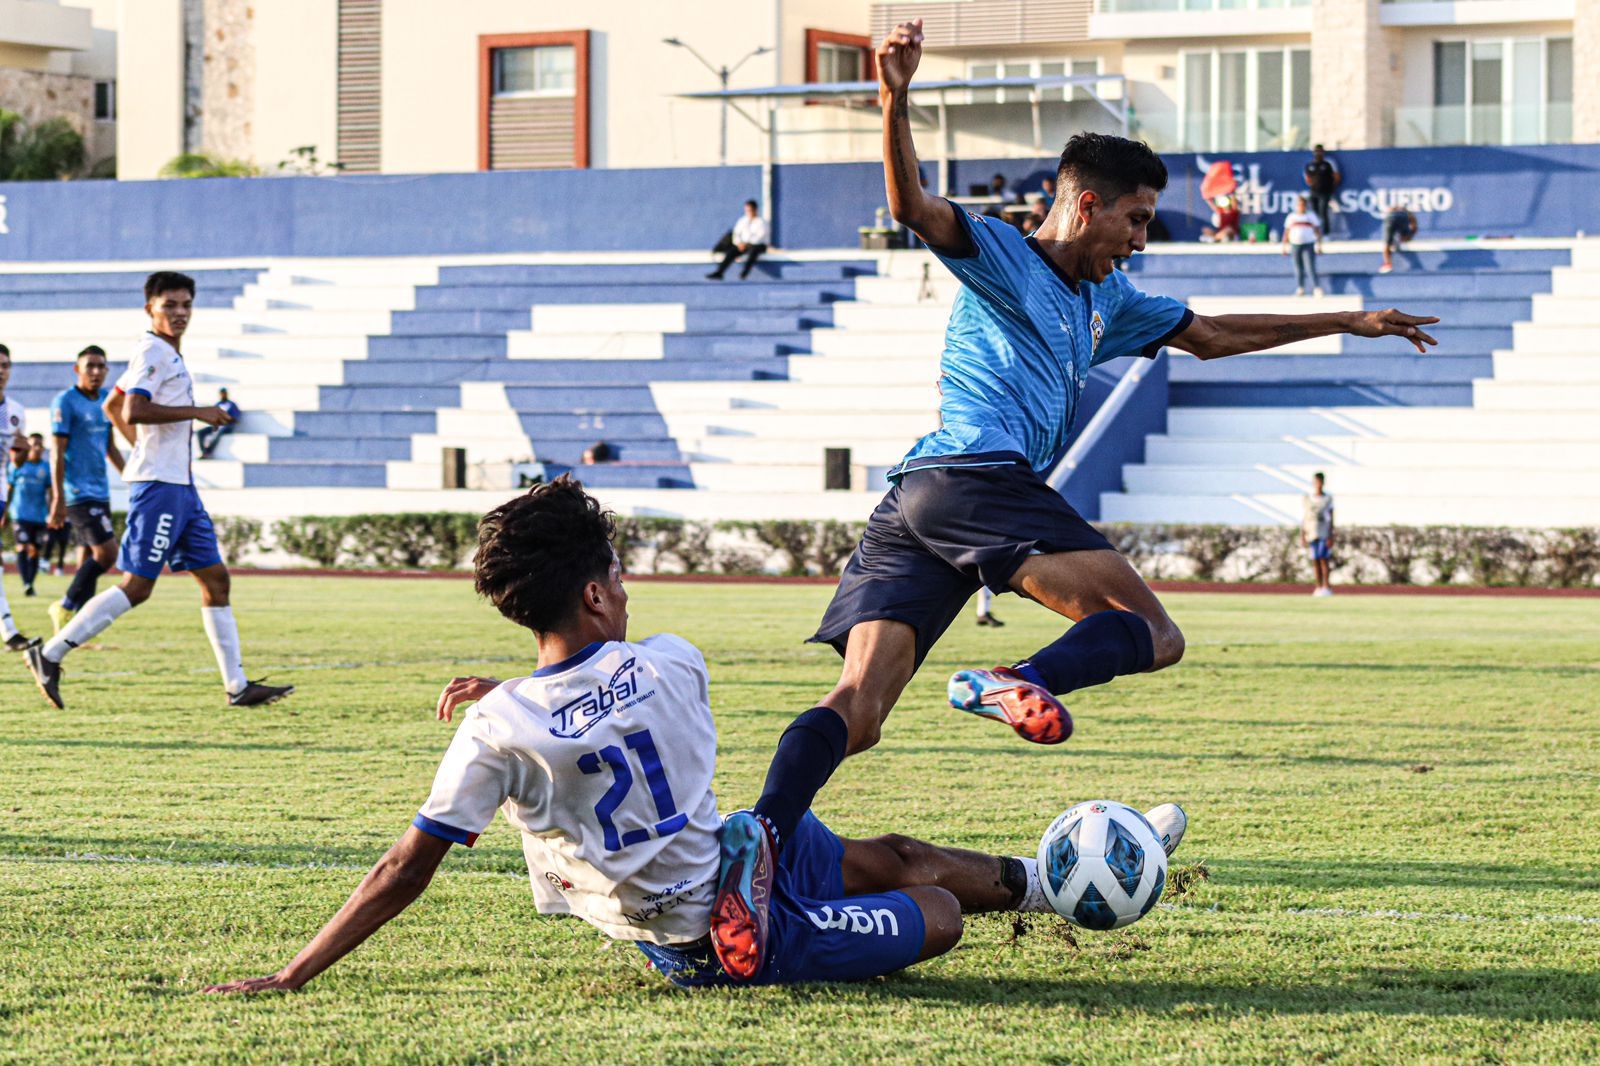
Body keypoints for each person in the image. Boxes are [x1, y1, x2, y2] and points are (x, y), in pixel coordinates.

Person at [706, 17, 1440, 983]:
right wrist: (893, 97)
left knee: (861, 704)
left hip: (914, 504)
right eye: (1134, 220)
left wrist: (1349, 318)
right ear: (1085, 205)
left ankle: (754, 846)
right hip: (976, 480)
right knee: (1154, 632)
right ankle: (1019, 678)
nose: (1141, 240)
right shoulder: (1005, 254)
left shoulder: (1109, 303)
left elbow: (1213, 334)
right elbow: (914, 204)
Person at [199, 476, 1195, 994]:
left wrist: (296, 968)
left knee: (894, 855)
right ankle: (738, 940)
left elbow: (405, 864)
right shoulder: (671, 660)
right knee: (930, 910)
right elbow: (604, 703)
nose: (628, 590)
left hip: (725, 850)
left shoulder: (499, 731)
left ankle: (1056, 884)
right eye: (617, 578)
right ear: (595, 593)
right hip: (704, 924)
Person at [24, 271, 292, 710]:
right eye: (170, 305)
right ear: (150, 308)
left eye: (186, 304)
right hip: (160, 489)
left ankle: (237, 685)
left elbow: (113, 404)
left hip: (180, 488)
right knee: (138, 586)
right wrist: (198, 412)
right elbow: (134, 407)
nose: (180, 312)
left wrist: (140, 447)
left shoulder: (167, 353)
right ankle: (49, 654)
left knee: (216, 580)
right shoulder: (153, 349)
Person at [47, 345, 126, 633]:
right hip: (77, 493)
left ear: (106, 370)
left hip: (100, 490)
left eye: (100, 366)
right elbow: (57, 451)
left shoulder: (107, 401)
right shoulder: (65, 402)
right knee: (107, 554)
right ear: (77, 369)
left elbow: (110, 446)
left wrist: (132, 476)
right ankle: (66, 605)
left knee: (87, 557)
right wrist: (57, 497)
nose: (95, 371)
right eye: (89, 365)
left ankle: (75, 629)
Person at [0, 343, 34, 650]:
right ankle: (9, 632)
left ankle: (9, 632)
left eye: (5, 365)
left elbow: (14, 462)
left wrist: (21, 453)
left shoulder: (16, 413)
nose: (1, 371)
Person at [7, 437, 51, 599]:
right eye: (34, 445)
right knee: (22, 546)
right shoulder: (18, 466)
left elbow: (51, 492)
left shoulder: (46, 468)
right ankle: (26, 583)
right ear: (28, 447)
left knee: (34, 551)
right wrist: (4, 511)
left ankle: (30, 583)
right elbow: (9, 489)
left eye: (40, 445)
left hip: (39, 516)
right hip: (20, 515)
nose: (37, 448)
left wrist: (53, 511)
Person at [707, 200, 768, 280]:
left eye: (750, 210)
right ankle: (719, 272)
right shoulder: (742, 221)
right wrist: (739, 243)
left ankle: (744, 273)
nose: (748, 212)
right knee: (731, 252)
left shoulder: (761, 222)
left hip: (756, 245)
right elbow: (736, 233)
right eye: (747, 210)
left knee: (754, 252)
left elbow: (760, 236)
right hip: (742, 245)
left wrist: (747, 244)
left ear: (755, 210)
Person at [1281, 195, 1324, 297]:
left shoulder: (1311, 216)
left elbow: (1317, 231)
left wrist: (1319, 244)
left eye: (1303, 204)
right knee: (1298, 267)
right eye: (1299, 204)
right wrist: (1284, 246)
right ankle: (1300, 288)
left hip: (1308, 244)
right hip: (1295, 245)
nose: (1301, 206)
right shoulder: (1291, 217)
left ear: (1306, 205)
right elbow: (1286, 232)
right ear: (1296, 206)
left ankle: (1316, 287)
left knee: (1310, 267)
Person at [1302, 472, 1335, 598]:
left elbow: (1331, 518)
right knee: (1315, 560)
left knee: (1323, 560)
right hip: (1311, 532)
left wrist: (1331, 535)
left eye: (1320, 482)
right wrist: (1303, 534)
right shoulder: (1307, 499)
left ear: (1323, 483)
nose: (1318, 484)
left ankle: (1326, 587)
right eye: (1316, 482)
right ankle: (1318, 586)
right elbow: (1305, 517)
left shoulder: (1327, 499)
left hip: (1323, 533)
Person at [1303, 144, 1340, 238]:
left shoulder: (1327, 164)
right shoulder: (1311, 165)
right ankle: (1316, 233)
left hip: (1325, 192)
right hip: (1314, 191)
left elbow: (1335, 177)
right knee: (1314, 214)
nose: (1318, 154)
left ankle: (1326, 233)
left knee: (1323, 211)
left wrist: (1330, 186)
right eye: (1316, 151)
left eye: (1320, 151)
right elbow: (1307, 178)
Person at [195, 387, 241, 458]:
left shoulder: (232, 405)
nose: (223, 395)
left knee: (218, 433)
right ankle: (204, 451)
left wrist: (226, 419)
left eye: (224, 394)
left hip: (227, 427)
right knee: (200, 432)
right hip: (216, 425)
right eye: (221, 394)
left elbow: (236, 418)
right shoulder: (217, 404)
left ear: (227, 394)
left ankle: (208, 452)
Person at [1380, 205, 1417, 275]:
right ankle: (1387, 263)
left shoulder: (1393, 213)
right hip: (1401, 217)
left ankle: (1387, 264)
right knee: (1389, 243)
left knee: (1387, 244)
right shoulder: (1406, 213)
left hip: (1392, 217)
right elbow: (1414, 225)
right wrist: (1410, 235)